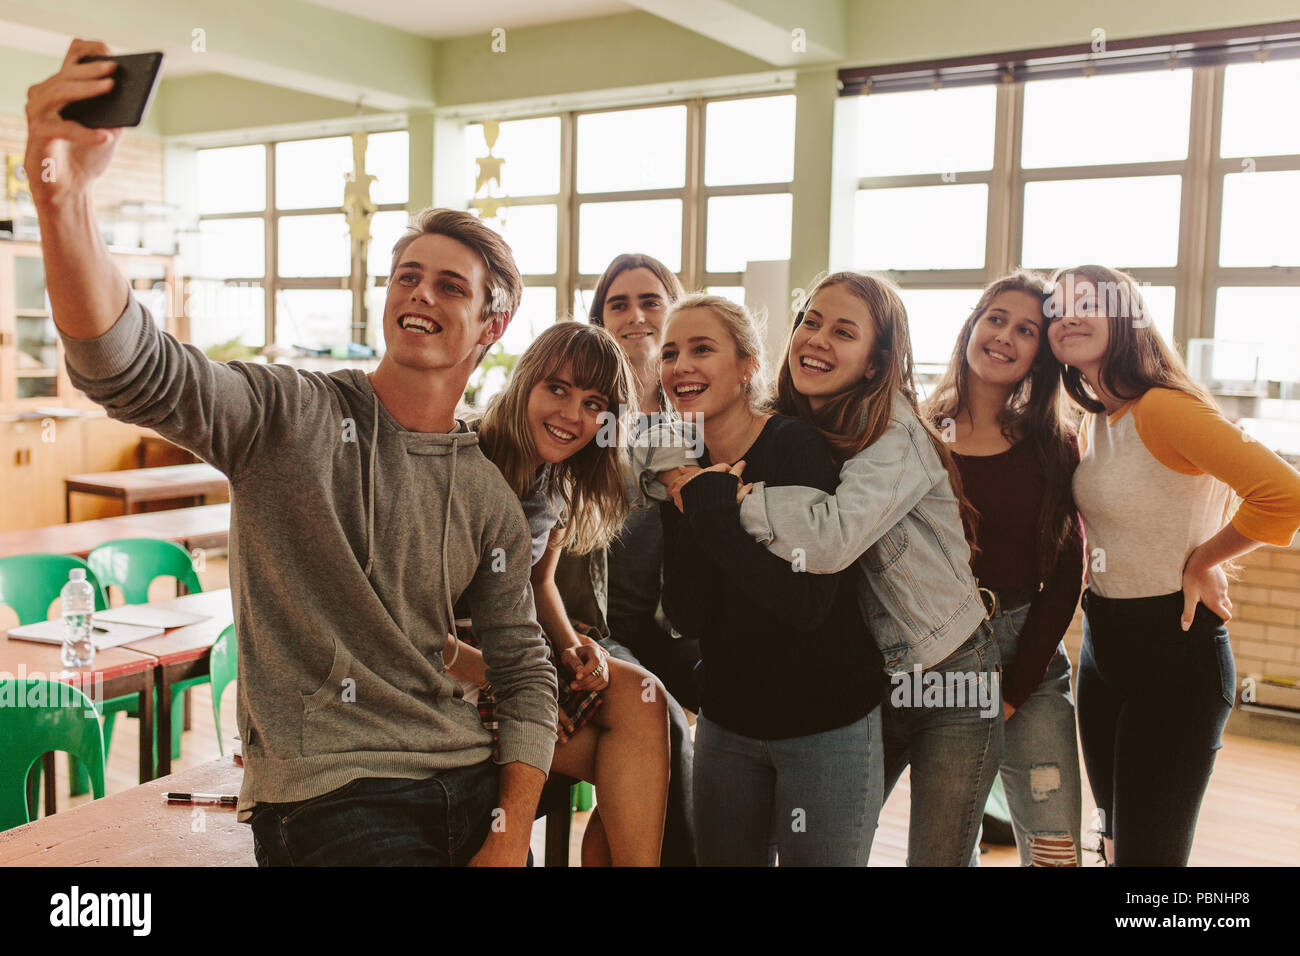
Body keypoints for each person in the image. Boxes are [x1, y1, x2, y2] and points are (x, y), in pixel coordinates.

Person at [26, 40, 557, 866]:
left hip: (468, 782)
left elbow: (523, 669)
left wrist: (511, 827)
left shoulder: (485, 492)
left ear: (492, 327)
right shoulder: (287, 414)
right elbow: (126, 366)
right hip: (332, 798)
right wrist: (61, 198)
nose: (419, 294)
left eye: (450, 286)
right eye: (406, 276)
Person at [664, 273, 1002, 866]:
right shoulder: (804, 424)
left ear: (876, 363)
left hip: (946, 667)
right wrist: (674, 475)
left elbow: (831, 540)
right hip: (878, 671)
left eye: (843, 331)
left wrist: (730, 500)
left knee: (940, 857)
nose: (816, 338)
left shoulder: (892, 431)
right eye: (809, 321)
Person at [1047, 264, 1300, 866]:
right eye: (1056, 308)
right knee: (1111, 841)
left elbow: (1284, 494)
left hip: (1175, 653)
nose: (1069, 316)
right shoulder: (1098, 420)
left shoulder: (1163, 409)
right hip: (1104, 646)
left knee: (1148, 864)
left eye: (1087, 302)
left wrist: (1204, 559)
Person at [656, 294, 886, 866]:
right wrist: (702, 515)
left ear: (748, 365)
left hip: (826, 726)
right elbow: (686, 615)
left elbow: (806, 603)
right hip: (727, 728)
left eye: (702, 349)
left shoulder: (794, 447)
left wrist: (713, 517)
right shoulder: (680, 463)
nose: (680, 365)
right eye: (670, 353)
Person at [442, 321, 670, 866]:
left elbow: (540, 582)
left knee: (646, 698)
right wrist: (520, 686)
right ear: (526, 381)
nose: (573, 415)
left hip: (513, 654)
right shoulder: (463, 460)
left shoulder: (555, 478)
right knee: (626, 767)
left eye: (594, 403)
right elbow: (415, 628)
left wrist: (570, 647)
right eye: (558, 388)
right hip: (441, 666)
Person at [922, 270, 1084, 866]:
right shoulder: (917, 431)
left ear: (1041, 355)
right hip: (935, 660)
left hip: (1028, 660)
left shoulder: (1051, 442)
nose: (1005, 337)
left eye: (1027, 330)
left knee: (1055, 850)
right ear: (973, 325)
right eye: (996, 319)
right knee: (941, 852)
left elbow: (1069, 573)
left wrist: (1016, 688)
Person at [579, 253, 700, 865]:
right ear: (599, 319)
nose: (635, 316)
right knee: (666, 721)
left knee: (755, 698)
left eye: (651, 301)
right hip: (601, 627)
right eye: (617, 304)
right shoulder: (582, 412)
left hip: (676, 626)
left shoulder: (699, 416)